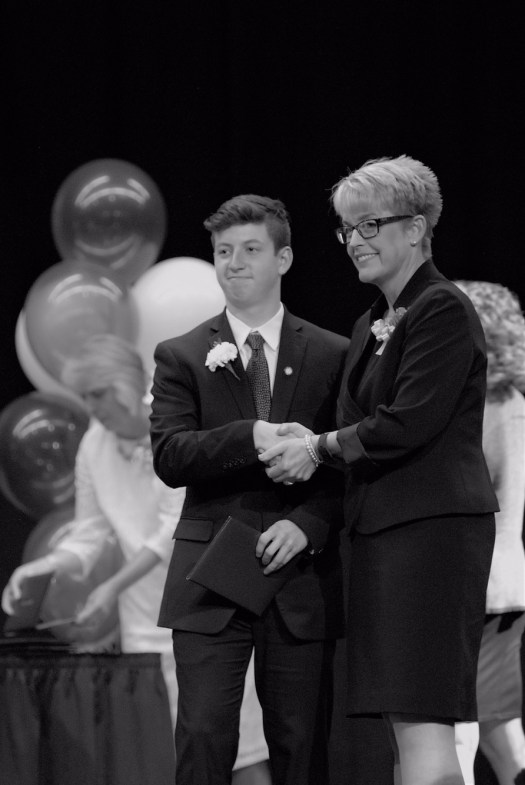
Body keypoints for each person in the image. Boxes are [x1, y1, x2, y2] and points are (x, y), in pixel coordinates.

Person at [258, 156, 499, 785]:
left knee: (423, 723)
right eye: (347, 229)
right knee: (401, 726)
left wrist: (316, 447)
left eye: (370, 225)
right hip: (381, 540)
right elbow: (358, 426)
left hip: (431, 538)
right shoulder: (370, 323)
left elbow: (404, 424)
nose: (354, 241)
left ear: (416, 228)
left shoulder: (443, 308)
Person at [2, 333, 271, 784]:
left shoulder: (172, 425)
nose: (91, 408)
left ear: (125, 384)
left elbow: (171, 529)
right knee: (161, 755)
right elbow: (90, 533)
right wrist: (44, 566)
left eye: (97, 394)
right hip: (143, 625)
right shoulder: (94, 445)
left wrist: (111, 587)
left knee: (239, 752)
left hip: (204, 610)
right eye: (84, 397)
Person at [149, 194, 349, 785]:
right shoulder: (181, 354)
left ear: (283, 259)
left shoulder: (333, 353)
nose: (233, 262)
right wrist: (250, 434)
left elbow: (350, 461)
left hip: (299, 573)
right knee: (203, 736)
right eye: (222, 251)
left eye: (250, 249)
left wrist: (309, 524)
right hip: (209, 573)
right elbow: (170, 456)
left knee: (301, 741)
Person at [453, 281, 525, 785]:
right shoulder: (504, 401)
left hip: (484, 587)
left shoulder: (497, 406)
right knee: (497, 722)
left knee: (463, 724)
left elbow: (488, 488)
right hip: (495, 585)